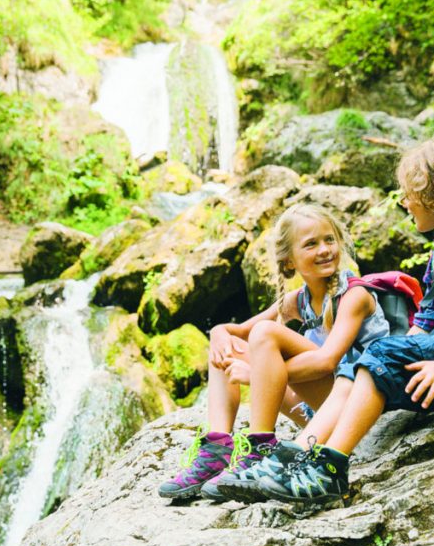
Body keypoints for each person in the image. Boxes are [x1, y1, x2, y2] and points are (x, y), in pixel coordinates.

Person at [257, 137, 434, 507]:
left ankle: (329, 467)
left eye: (409, 193)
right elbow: (428, 318)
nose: (404, 201)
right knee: (370, 360)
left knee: (381, 353)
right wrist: (404, 352)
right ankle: (296, 456)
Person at [158, 203, 390, 500]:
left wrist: (257, 375)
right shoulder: (298, 300)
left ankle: (261, 448)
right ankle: (216, 450)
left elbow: (326, 361)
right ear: (289, 261)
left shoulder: (354, 296)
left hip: (355, 406)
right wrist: (217, 333)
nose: (324, 250)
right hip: (316, 409)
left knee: (266, 333)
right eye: (311, 244)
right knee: (229, 347)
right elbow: (234, 333)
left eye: (329, 240)